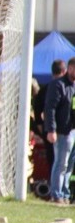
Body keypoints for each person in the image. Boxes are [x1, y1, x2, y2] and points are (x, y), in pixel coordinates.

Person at [43, 57, 75, 205]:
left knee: (70, 165)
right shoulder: (58, 85)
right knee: (60, 163)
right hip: (62, 131)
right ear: (69, 69)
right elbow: (50, 108)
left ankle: (65, 193)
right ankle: (57, 194)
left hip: (73, 130)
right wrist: (51, 129)